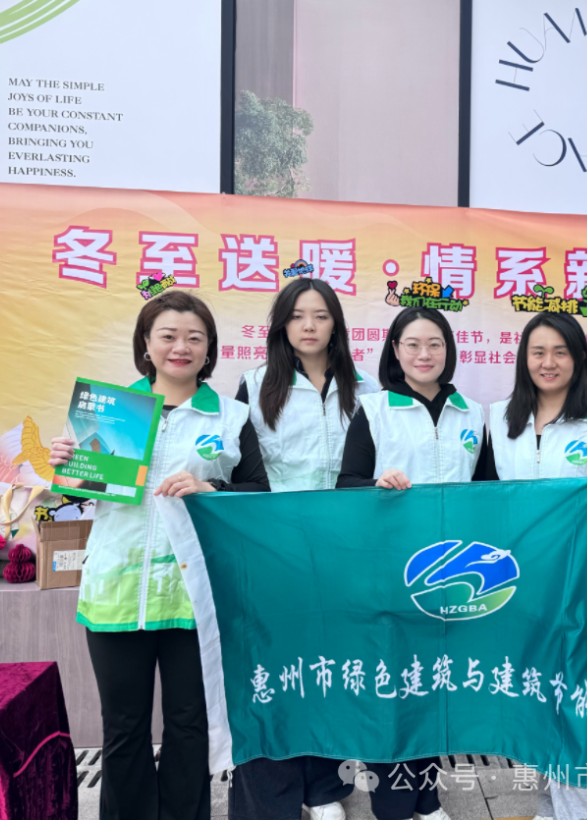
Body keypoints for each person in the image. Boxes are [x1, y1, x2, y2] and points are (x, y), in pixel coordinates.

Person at [49, 291, 269, 820]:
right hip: (116, 592)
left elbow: (259, 493)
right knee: (123, 726)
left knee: (189, 723)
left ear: (210, 348)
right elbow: (80, 493)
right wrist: (67, 466)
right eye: (168, 336)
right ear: (145, 344)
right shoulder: (112, 412)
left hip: (194, 593)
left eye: (195, 337)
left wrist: (210, 488)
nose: (181, 347)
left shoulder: (231, 417)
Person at [229, 277, 379, 820]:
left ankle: (325, 788)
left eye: (320, 315)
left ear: (336, 323)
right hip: (276, 550)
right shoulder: (254, 385)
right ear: (281, 326)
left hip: (345, 550)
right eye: (297, 316)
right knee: (279, 670)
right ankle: (277, 790)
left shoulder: (367, 389)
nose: (309, 326)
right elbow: (240, 471)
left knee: (332, 668)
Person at [337, 305, 485, 820]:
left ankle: (425, 797)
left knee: (435, 686)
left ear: (448, 350)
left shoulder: (472, 413)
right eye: (413, 344)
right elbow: (346, 484)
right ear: (395, 351)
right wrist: (375, 485)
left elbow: (488, 491)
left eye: (435, 344)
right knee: (393, 689)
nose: (425, 354)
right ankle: (393, 804)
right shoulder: (374, 410)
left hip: (454, 574)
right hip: (391, 573)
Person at [481, 312, 587, 820]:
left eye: (560, 352)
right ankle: (549, 807)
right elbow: (483, 499)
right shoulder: (498, 419)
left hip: (583, 581)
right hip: (519, 585)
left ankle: (577, 812)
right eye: (538, 352)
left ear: (579, 358)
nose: (549, 362)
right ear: (523, 359)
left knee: (581, 703)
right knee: (538, 699)